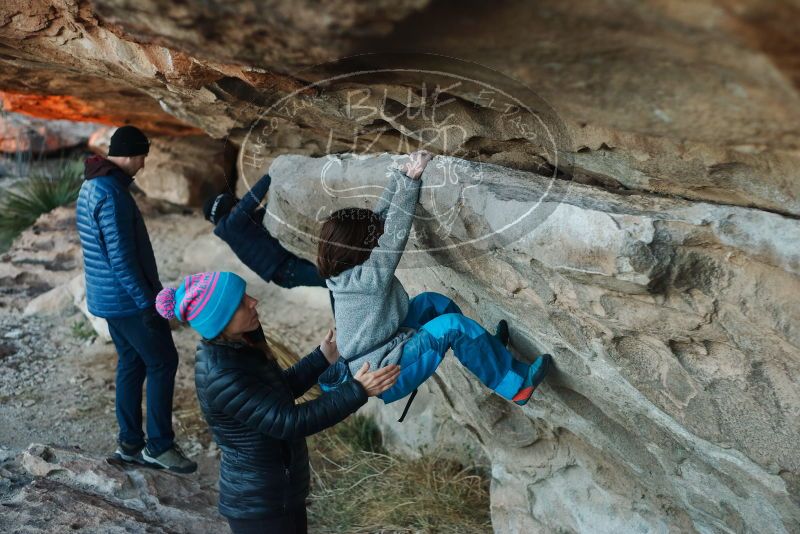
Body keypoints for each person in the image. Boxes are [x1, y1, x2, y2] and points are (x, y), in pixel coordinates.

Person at [154, 271, 399, 534]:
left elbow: (278, 392)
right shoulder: (222, 374)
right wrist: (357, 391)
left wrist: (321, 358)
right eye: (240, 302)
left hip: (278, 493)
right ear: (220, 320)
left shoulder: (238, 347)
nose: (253, 301)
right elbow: (288, 422)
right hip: (259, 506)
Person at [316, 150, 552, 413]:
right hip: (388, 373)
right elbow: (393, 236)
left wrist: (400, 176)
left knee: (433, 304)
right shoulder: (367, 279)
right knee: (452, 326)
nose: (374, 237)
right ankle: (516, 387)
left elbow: (377, 222)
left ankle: (490, 353)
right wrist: (411, 182)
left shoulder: (344, 272)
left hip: (384, 346)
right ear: (358, 248)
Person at [75, 125, 196, 473]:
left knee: (132, 363)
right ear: (128, 155)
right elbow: (122, 260)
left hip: (107, 298)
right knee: (162, 362)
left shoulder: (91, 185)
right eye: (142, 156)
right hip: (128, 301)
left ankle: (129, 444)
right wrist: (149, 305)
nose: (143, 164)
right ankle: (158, 446)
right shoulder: (111, 194)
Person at [204, 173, 329, 292]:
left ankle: (343, 313)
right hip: (286, 271)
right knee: (334, 280)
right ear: (228, 210)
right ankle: (344, 314)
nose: (238, 205)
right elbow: (251, 200)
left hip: (288, 267)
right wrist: (271, 173)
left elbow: (268, 210)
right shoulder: (231, 225)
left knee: (332, 280)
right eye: (235, 205)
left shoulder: (239, 227)